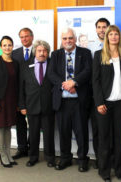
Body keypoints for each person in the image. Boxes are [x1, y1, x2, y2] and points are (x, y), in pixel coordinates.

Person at [48, 27, 92, 172]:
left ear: (75, 39)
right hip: (62, 101)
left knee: (81, 133)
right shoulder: (55, 54)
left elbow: (88, 71)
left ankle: (82, 160)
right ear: (62, 40)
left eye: (70, 38)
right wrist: (66, 85)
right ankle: (65, 158)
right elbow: (51, 74)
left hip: (79, 101)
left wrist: (75, 83)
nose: (68, 41)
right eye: (65, 38)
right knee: (64, 132)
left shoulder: (85, 53)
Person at [92, 25, 121, 182]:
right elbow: (95, 81)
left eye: (116, 34)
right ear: (107, 37)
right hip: (105, 104)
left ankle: (120, 170)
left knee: (119, 138)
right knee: (105, 139)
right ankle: (105, 172)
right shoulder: (98, 55)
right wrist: (99, 102)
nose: (114, 37)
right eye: (111, 34)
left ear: (119, 37)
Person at [19, 40, 55, 168]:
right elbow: (21, 88)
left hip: (48, 106)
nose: (42, 53)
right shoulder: (25, 65)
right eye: (39, 51)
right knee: (33, 134)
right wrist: (22, 106)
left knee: (49, 134)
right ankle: (33, 157)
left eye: (45, 51)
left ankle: (50, 158)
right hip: (31, 105)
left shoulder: (52, 64)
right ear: (35, 52)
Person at [0, 36, 19, 168]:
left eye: (9, 45)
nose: (7, 47)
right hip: (0, 100)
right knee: (1, 127)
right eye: (5, 45)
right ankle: (2, 154)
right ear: (0, 47)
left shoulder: (16, 63)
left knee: (8, 126)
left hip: (12, 100)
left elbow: (17, 84)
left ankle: (8, 153)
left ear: (12, 46)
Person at [88, 17, 111, 169]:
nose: (102, 30)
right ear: (95, 29)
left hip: (111, 94)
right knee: (96, 129)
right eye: (99, 27)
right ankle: (99, 158)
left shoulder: (115, 46)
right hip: (93, 93)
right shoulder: (89, 47)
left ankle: (111, 158)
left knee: (110, 129)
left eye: (105, 27)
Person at [11, 27, 34, 159]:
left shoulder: (39, 51)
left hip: (33, 93)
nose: (24, 39)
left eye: (26, 36)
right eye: (22, 37)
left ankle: (32, 147)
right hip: (18, 93)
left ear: (32, 37)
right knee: (20, 122)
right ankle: (22, 148)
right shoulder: (15, 53)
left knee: (34, 122)